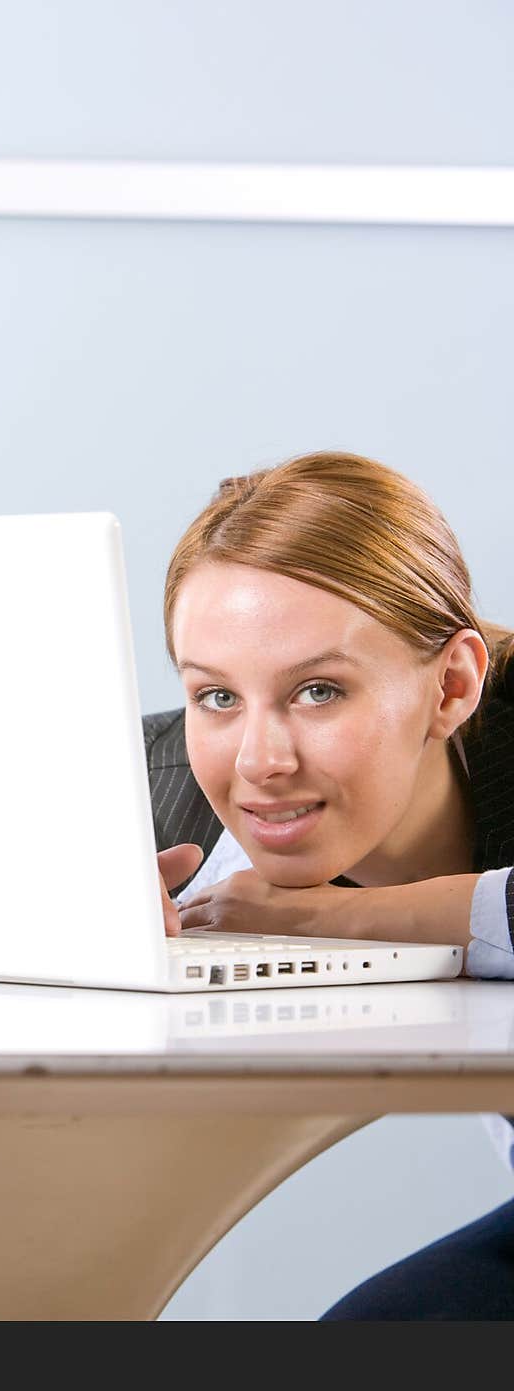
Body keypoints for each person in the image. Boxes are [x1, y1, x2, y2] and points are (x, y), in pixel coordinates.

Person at [144, 450, 514, 1319]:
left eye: (319, 690)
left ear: (452, 685)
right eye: (216, 696)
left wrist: (329, 916)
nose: (260, 762)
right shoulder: (163, 778)